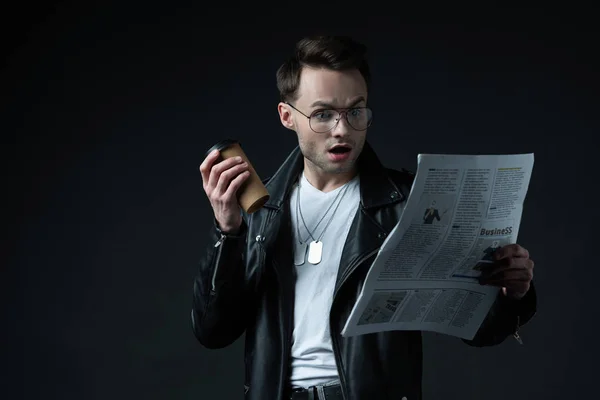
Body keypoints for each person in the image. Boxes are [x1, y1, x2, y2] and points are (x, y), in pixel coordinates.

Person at [191, 35, 537, 400]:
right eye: (323, 114)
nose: (342, 129)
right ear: (287, 116)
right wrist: (227, 230)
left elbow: (478, 329)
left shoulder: (408, 203)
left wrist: (511, 293)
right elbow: (213, 331)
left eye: (355, 111)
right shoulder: (261, 211)